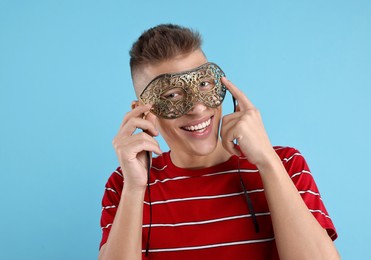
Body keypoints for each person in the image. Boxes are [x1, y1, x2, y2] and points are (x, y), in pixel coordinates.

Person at [98, 24, 339, 260]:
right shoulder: (123, 184)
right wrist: (134, 189)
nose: (199, 107)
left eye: (204, 84)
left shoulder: (285, 163)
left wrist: (268, 162)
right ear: (143, 113)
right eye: (172, 95)